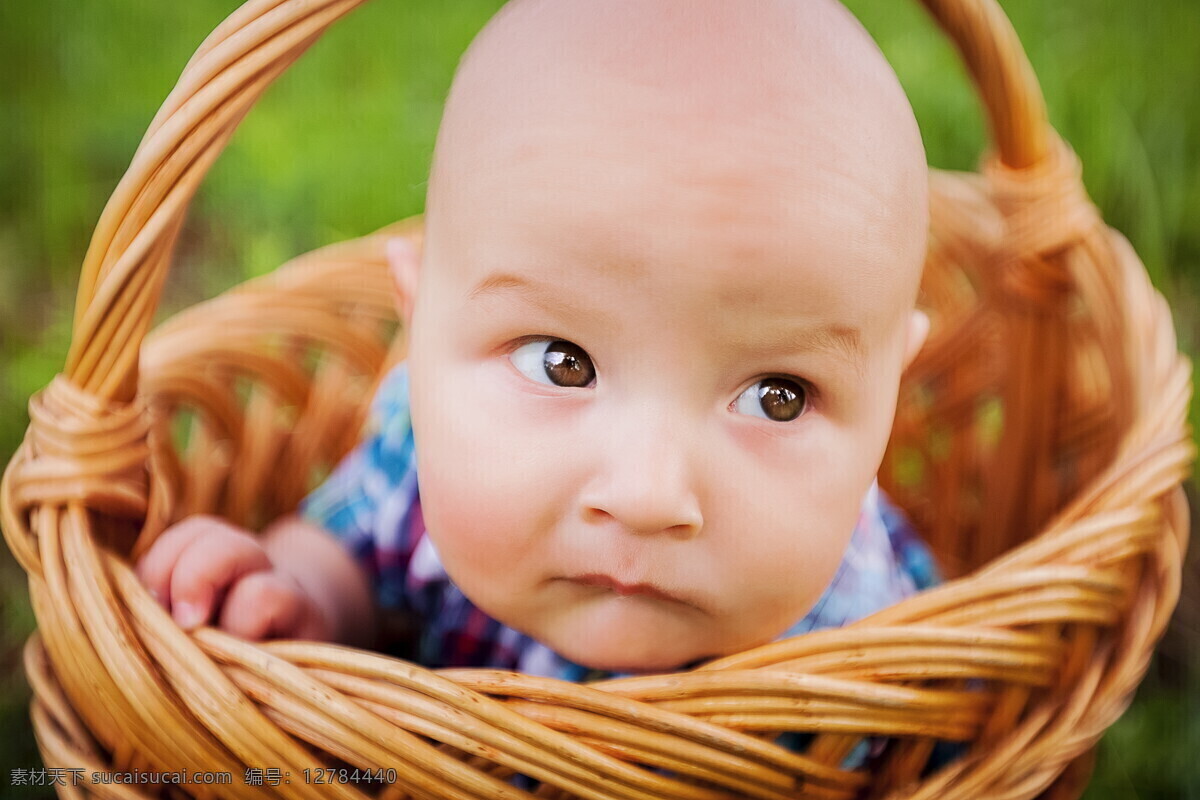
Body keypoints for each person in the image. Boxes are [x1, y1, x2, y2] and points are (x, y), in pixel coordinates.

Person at [136, 0, 949, 772]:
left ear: (887, 399)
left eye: (778, 395)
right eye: (562, 362)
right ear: (419, 331)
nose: (646, 494)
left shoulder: (873, 684)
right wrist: (296, 593)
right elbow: (352, 554)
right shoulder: (424, 448)